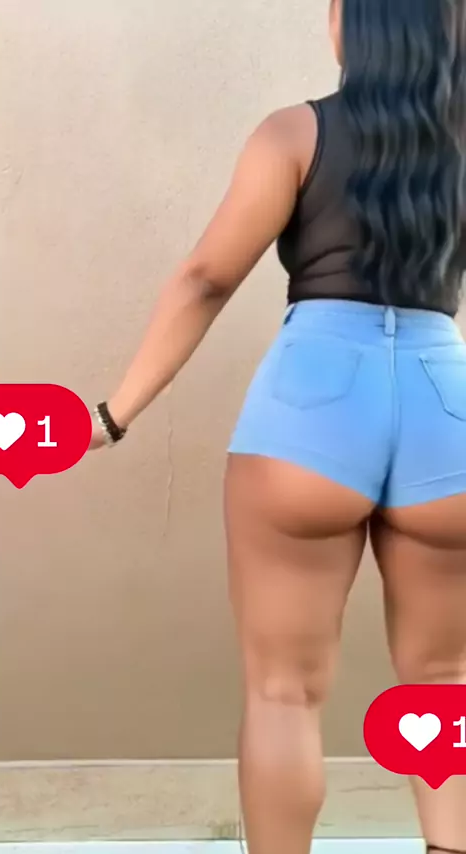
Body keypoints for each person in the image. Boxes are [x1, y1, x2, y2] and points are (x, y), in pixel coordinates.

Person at [89, 1, 466, 852]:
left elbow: (206, 279)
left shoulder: (294, 134)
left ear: (346, 24)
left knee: (283, 692)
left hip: (313, 407)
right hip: (446, 402)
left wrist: (113, 417)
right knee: (445, 686)